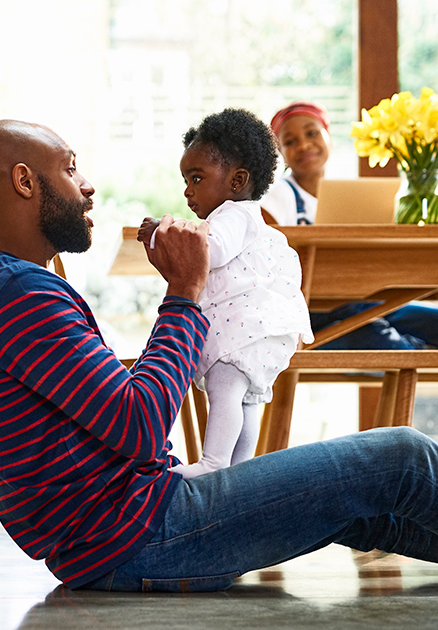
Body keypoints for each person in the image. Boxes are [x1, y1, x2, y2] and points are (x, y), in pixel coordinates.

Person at [0, 118, 438, 593]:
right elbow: (140, 424)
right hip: (141, 536)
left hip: (116, 539)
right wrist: (188, 293)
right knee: (398, 459)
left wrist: (185, 329)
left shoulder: (2, 292)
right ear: (24, 182)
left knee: (374, 508)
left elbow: (116, 414)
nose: (89, 184)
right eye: (72, 170)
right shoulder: (19, 296)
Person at [261, 100, 438, 425]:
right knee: (382, 345)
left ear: (329, 135)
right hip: (315, 317)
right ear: (280, 152)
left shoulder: (356, 196)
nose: (303, 144)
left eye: (311, 133)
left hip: (365, 301)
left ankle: (431, 359)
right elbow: (268, 258)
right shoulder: (278, 195)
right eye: (289, 141)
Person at [136, 108, 312, 479]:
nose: (187, 191)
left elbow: (206, 253)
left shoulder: (233, 215)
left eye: (196, 178)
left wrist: (160, 232)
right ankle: (238, 472)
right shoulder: (244, 215)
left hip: (241, 331)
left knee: (224, 390)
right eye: (185, 180)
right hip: (254, 331)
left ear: (237, 181)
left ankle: (214, 462)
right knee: (244, 400)